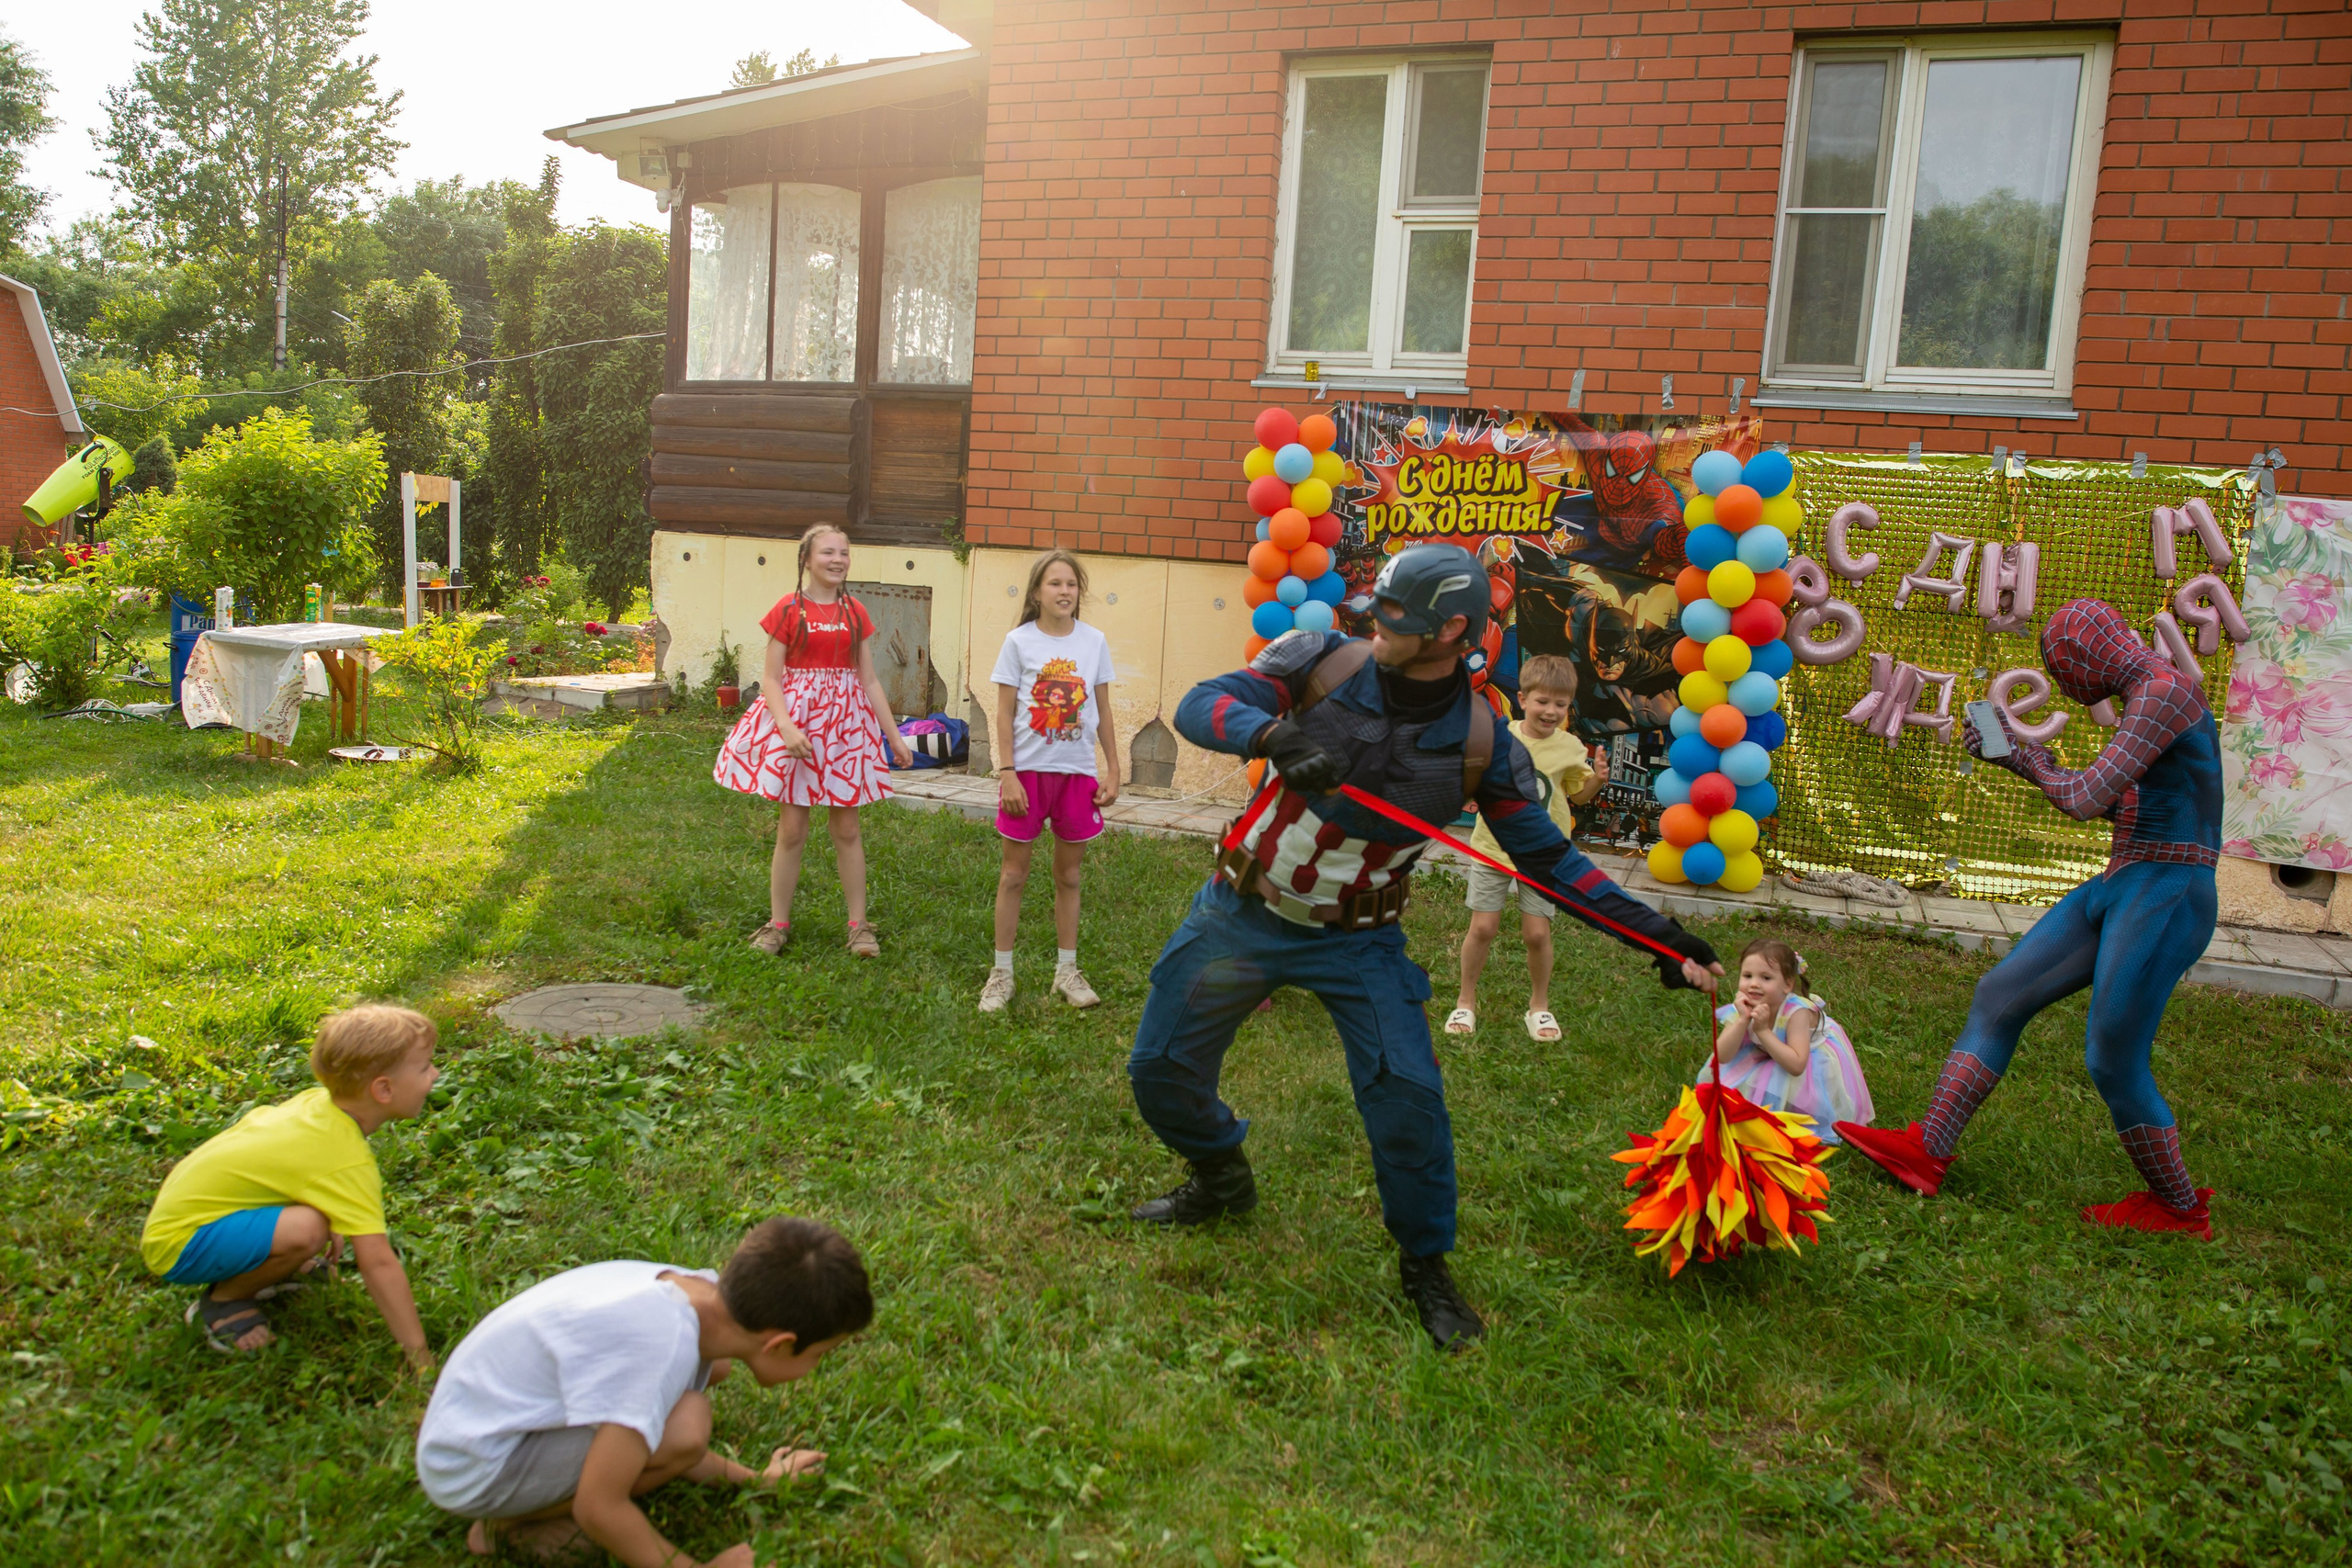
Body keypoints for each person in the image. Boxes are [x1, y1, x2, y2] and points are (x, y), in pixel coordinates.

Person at [1125, 542, 1723, 1350]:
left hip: (1359, 942)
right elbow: (1204, 703)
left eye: (1393, 618)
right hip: (1241, 910)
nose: (1374, 627)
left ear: (1449, 631)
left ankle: (1425, 1265)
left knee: (1409, 1103)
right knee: (1159, 1068)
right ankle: (1220, 1174)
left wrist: (1660, 937)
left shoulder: (1483, 744)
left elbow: (1551, 862)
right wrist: (1269, 734)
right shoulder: (1320, 659)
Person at [1838, 599, 2223, 1239]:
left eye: (2063, 669)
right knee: (1999, 994)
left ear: (2084, 658)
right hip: (2131, 879)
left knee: (2114, 1056)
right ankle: (1928, 1150)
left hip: (2168, 889)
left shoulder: (2164, 692)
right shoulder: (2152, 695)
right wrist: (2017, 755)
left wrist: (2026, 759)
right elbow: (2125, 805)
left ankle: (2181, 1209)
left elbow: (2085, 799)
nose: (2068, 686)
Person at [416, 1216, 873, 1568]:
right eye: (821, 1354)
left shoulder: (698, 1292)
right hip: (472, 1464)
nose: (818, 1366)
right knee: (687, 1426)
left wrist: (757, 1480)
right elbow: (599, 1506)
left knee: (711, 1377)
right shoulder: (660, 1349)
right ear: (780, 1344)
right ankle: (503, 1526)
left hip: (479, 1423)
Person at [139, 1003, 436, 1364]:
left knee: (312, 1222)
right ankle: (225, 1301)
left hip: (187, 1211)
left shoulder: (319, 1104)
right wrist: (420, 1356)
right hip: (179, 1244)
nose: (435, 1074)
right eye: (425, 1068)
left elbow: (292, 1171)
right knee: (307, 1230)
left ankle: (277, 1262)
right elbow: (378, 1264)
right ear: (384, 1089)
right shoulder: (344, 1157)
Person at [715, 524, 914, 958]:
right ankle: (777, 925)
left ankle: (859, 927)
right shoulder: (788, 610)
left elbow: (869, 680)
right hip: (800, 728)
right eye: (828, 552)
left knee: (847, 828)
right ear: (806, 559)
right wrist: (786, 727)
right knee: (792, 829)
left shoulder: (855, 612)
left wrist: (894, 737)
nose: (838, 560)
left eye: (844, 553)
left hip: (844, 730)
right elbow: (771, 678)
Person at [981, 549, 1121, 1013]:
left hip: (1076, 776)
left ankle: (1067, 971)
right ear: (1037, 593)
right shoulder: (1018, 642)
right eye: (1055, 583)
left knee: (1070, 875)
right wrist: (1008, 773)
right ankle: (1001, 974)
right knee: (1013, 874)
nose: (1065, 592)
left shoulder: (1094, 642)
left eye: (1071, 584)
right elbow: (1003, 713)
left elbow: (1102, 711)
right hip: (1026, 776)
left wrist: (1113, 768)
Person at [1447, 654, 1603, 1042]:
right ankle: (1466, 1001)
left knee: (1536, 934)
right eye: (1542, 701)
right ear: (1522, 699)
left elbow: (1579, 796)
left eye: (1560, 704)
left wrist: (1597, 780)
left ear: (1569, 706)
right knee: (1482, 927)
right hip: (1493, 849)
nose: (1550, 711)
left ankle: (1539, 1006)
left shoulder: (1571, 748)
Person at [1706, 938, 1873, 1143]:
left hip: (1805, 1056)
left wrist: (1763, 1031)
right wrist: (1742, 1020)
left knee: (1800, 1097)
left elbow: (1796, 1065)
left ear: (1787, 985)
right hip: (1770, 1050)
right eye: (1747, 976)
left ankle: (1801, 1114)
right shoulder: (1744, 1004)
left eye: (1766, 978)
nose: (1754, 984)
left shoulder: (1796, 1013)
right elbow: (1722, 1056)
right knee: (1735, 1085)